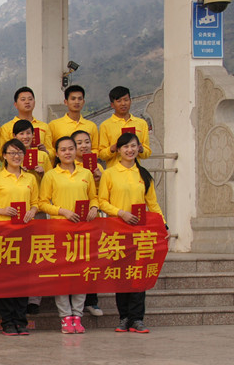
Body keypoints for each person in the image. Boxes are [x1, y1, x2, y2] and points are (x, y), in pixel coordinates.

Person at [99, 133, 166, 334]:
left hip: (140, 232)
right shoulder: (110, 173)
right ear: (119, 150)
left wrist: (163, 225)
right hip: (117, 232)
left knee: (139, 274)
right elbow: (102, 201)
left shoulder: (143, 174)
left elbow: (152, 204)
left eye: (133, 146)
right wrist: (121, 213)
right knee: (122, 275)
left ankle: (137, 319)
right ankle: (124, 317)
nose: (130, 150)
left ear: (138, 148)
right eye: (126, 147)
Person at [38, 136, 99, 334]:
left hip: (82, 231)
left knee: (81, 274)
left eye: (71, 148)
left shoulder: (86, 173)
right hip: (59, 231)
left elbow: (94, 197)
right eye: (63, 149)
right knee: (62, 275)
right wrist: (62, 211)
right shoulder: (51, 175)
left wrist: (94, 207)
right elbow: (42, 202)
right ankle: (65, 317)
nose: (67, 152)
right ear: (56, 153)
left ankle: (77, 315)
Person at [0, 139, 39, 336]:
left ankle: (21, 320)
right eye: (12, 153)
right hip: (3, 233)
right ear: (4, 156)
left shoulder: (30, 178)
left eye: (19, 153)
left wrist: (32, 211)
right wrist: (2, 210)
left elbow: (36, 202)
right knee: (5, 278)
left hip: (24, 232)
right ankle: (7, 321)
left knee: (23, 277)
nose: (16, 156)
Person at [72, 129, 104, 317]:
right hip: (70, 222)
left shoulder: (97, 167)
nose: (83, 146)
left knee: (91, 260)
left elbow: (99, 195)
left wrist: (99, 179)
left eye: (87, 142)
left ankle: (92, 301)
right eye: (79, 143)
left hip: (90, 220)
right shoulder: (65, 167)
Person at [98, 86, 151, 168]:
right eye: (119, 101)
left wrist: (141, 149)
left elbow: (147, 153)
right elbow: (101, 154)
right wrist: (112, 149)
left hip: (135, 170)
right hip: (114, 171)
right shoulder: (105, 125)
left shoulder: (141, 123)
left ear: (130, 101)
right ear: (112, 105)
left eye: (126, 100)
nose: (123, 103)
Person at [0, 86, 55, 159]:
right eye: (23, 99)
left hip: (39, 163)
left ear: (34, 103)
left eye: (30, 99)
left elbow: (52, 151)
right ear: (15, 104)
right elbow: (2, 153)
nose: (27, 102)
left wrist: (46, 151)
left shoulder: (44, 126)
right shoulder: (6, 127)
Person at [48, 85, 99, 153]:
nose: (77, 102)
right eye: (73, 99)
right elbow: (51, 149)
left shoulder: (91, 126)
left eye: (80, 99)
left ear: (83, 102)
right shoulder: (54, 125)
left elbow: (95, 149)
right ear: (66, 102)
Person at [12, 119, 52, 184]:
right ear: (14, 136)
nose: (25, 137)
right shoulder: (10, 156)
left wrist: (43, 174)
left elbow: (52, 180)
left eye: (28, 133)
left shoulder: (43, 155)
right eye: (21, 134)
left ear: (33, 135)